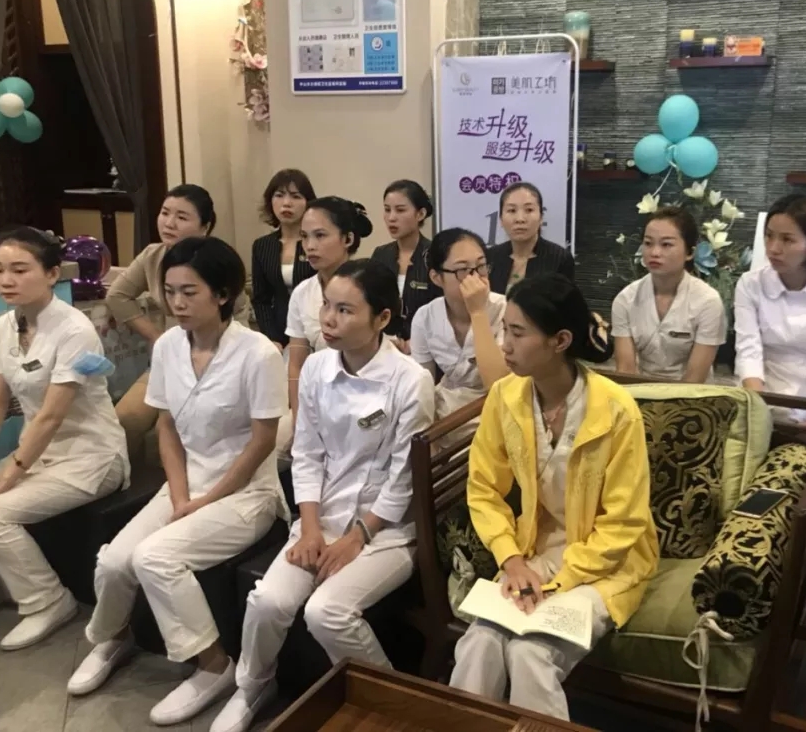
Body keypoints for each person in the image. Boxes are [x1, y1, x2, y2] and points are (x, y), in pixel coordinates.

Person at [68, 237, 288, 726]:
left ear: (223, 294)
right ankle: (115, 637)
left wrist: (206, 500)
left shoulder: (258, 354)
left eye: (190, 292)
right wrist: (181, 494)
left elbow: (262, 442)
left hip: (245, 493)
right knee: (115, 561)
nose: (177, 303)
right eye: (170, 292)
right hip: (186, 483)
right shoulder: (168, 345)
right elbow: (166, 426)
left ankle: (214, 666)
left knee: (155, 558)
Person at [211, 260, 435, 732]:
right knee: (268, 602)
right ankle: (253, 686)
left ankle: (394, 710)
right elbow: (307, 453)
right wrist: (310, 528)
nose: (329, 320)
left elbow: (403, 479)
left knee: (327, 612)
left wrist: (357, 538)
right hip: (323, 514)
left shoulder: (410, 380)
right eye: (327, 306)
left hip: (387, 530)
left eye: (345, 310)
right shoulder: (315, 367)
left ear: (382, 318)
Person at [448, 273, 659, 721]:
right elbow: (483, 490)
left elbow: (624, 523)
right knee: (479, 642)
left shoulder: (617, 410)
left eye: (518, 333)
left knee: (530, 653)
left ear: (560, 340)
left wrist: (556, 583)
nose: (504, 344)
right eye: (505, 329)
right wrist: (512, 561)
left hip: (607, 564)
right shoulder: (505, 396)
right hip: (535, 554)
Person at [0, 228, 128, 649]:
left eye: (20, 270)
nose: (5, 280)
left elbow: (52, 415)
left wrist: (7, 479)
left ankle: (48, 601)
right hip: (39, 453)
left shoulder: (75, 331)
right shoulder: (5, 325)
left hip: (90, 457)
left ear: (52, 274)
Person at [109, 185, 251, 464]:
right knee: (124, 420)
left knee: (198, 423)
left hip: (219, 363)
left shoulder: (217, 262)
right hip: (171, 360)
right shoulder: (153, 256)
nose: (169, 223)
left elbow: (241, 323)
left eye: (182, 217)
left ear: (205, 227)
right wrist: (156, 336)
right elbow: (117, 296)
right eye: (165, 213)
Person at [734, 194, 806, 424]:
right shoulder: (750, 284)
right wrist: (758, 414)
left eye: (787, 240)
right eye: (769, 236)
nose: (773, 248)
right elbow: (748, 351)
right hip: (762, 394)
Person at [281, 197, 372, 455]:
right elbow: (296, 364)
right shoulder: (303, 292)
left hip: (363, 397)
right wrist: (299, 420)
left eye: (320, 236)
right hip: (315, 397)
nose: (310, 246)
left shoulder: (369, 286)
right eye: (304, 237)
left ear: (348, 239)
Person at [612, 206, 726, 382]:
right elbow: (625, 371)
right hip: (641, 389)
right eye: (648, 243)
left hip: (692, 394)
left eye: (666, 244)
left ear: (690, 253)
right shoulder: (625, 299)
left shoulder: (708, 301)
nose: (655, 253)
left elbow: (695, 379)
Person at [410, 228, 507, 422]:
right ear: (437, 277)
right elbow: (422, 385)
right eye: (462, 270)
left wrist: (477, 312)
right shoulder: (425, 317)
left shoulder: (505, 309)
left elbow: (499, 384)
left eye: (481, 266)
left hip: (495, 409)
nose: (475, 278)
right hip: (445, 410)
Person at [250, 169, 317, 349]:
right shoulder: (262, 246)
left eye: (296, 196)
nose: (286, 203)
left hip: (315, 329)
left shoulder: (316, 243)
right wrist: (272, 338)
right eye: (279, 195)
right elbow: (261, 299)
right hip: (278, 331)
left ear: (308, 202)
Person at [370, 180, 442, 341]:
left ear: (420, 214)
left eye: (400, 210)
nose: (391, 218)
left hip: (427, 344)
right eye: (387, 210)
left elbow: (444, 312)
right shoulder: (381, 254)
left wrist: (413, 343)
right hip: (385, 344)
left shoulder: (436, 255)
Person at [486, 182, 575, 294]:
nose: (520, 219)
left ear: (541, 217)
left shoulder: (560, 258)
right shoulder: (491, 256)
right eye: (512, 210)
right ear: (501, 219)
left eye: (529, 210)